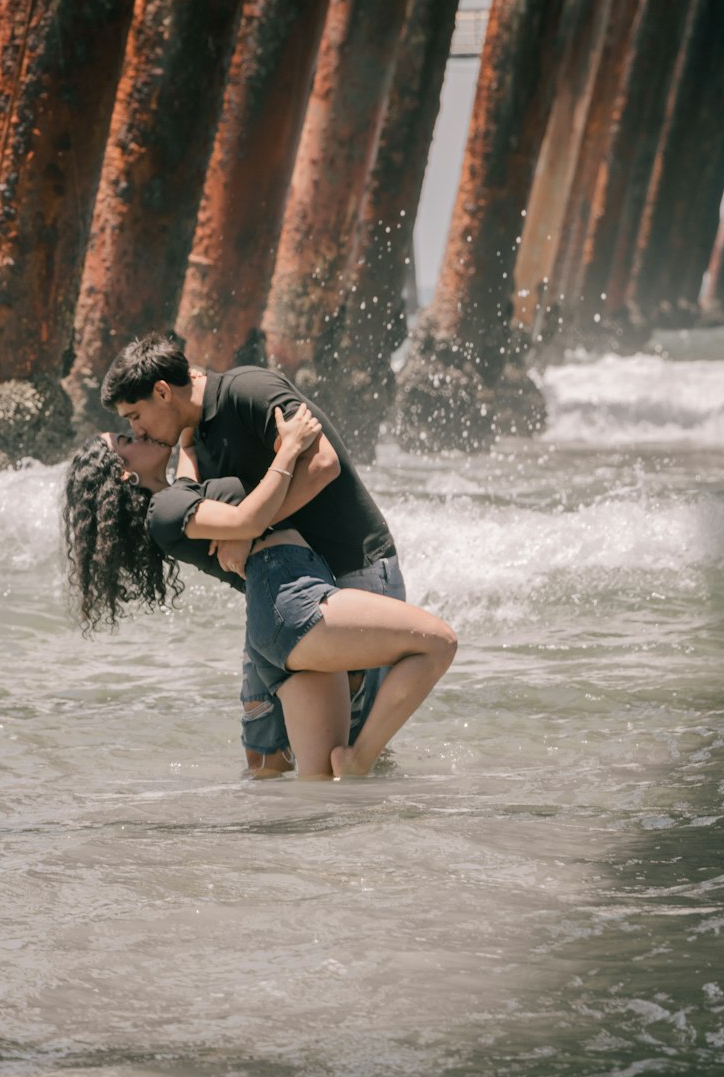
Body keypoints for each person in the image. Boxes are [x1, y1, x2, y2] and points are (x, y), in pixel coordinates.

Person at [62, 409, 456, 779]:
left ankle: (290, 851)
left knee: (320, 793)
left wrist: (184, 424)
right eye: (127, 438)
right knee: (437, 644)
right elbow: (249, 517)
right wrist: (288, 448)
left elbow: (188, 462)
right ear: (125, 474)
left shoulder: (175, 499)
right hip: (291, 602)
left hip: (275, 621)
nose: (140, 431)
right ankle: (360, 759)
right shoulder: (165, 512)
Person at [99, 333, 407, 774]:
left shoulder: (247, 390)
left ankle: (376, 838)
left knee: (351, 749)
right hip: (295, 590)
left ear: (163, 392)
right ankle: (275, 839)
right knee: (269, 752)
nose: (137, 430)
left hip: (352, 567)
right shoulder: (194, 438)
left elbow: (323, 465)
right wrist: (245, 519)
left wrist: (251, 525)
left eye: (135, 415)